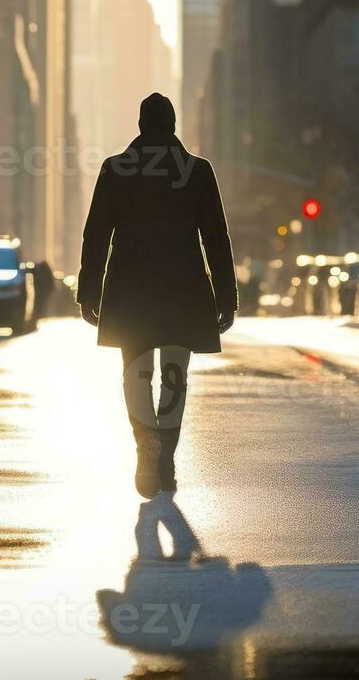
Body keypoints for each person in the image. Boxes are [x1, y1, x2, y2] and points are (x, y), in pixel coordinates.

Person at [77, 92, 238, 498]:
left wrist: (88, 292)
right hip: (183, 290)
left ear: (140, 125)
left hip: (130, 291)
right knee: (174, 376)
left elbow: (96, 234)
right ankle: (165, 454)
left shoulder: (116, 169)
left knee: (136, 373)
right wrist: (226, 298)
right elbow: (216, 237)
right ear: (172, 125)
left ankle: (143, 443)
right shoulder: (196, 170)